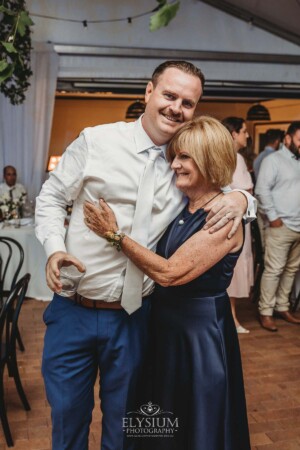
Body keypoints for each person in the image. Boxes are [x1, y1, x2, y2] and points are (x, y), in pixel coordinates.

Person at [35, 60, 256, 450]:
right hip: (74, 309)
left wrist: (242, 200)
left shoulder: (184, 159)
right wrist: (54, 249)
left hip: (137, 318)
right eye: (169, 95)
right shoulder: (97, 141)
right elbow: (51, 198)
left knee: (128, 430)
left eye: (188, 103)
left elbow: (221, 190)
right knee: (67, 421)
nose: (176, 108)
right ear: (148, 92)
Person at [83, 116, 251, 450]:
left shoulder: (223, 215)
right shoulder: (183, 205)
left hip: (198, 335)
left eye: (184, 157)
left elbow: (169, 272)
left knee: (197, 422)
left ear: (209, 159)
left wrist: (114, 235)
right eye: (174, 156)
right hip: (166, 328)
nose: (174, 164)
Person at [256, 121, 300, 332]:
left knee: (291, 270)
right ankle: (266, 311)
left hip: (299, 226)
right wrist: (274, 218)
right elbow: (262, 190)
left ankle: (283, 307)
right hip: (280, 225)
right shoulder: (273, 160)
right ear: (288, 139)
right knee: (274, 270)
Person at [222, 117, 254, 333]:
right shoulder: (236, 158)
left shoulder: (221, 155)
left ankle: (230, 316)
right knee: (234, 266)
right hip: (237, 219)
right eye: (244, 131)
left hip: (226, 218)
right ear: (234, 134)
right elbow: (246, 191)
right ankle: (231, 318)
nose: (248, 135)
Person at [253, 129, 284, 249]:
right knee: (271, 237)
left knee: (263, 235)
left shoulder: (259, 157)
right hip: (268, 201)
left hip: (259, 201)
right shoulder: (273, 158)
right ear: (277, 142)